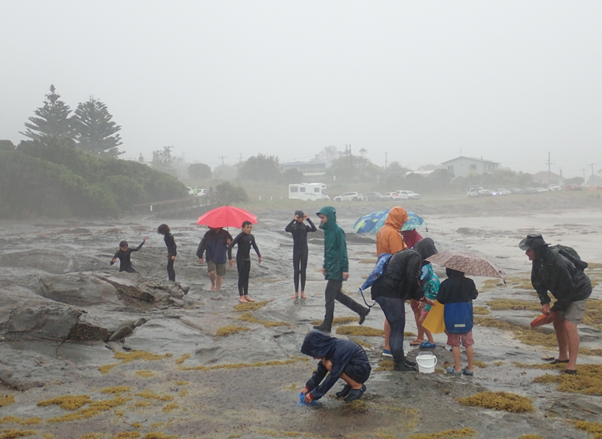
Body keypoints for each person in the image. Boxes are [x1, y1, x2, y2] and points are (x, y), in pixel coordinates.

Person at [519, 233, 592, 375]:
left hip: (578, 292)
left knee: (569, 325)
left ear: (537, 249)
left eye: (529, 250)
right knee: (558, 322)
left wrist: (555, 310)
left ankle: (572, 366)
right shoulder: (538, 260)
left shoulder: (558, 263)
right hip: (564, 292)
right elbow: (537, 282)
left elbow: (568, 291)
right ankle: (563, 357)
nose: (526, 253)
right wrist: (545, 302)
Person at [312, 206, 370, 333]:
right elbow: (328, 251)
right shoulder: (327, 231)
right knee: (336, 294)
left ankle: (327, 324)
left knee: (329, 295)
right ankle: (361, 310)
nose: (321, 220)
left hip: (338, 268)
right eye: (320, 218)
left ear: (330, 218)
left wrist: (345, 269)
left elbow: (343, 251)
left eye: (323, 217)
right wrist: (325, 265)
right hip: (331, 266)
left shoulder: (338, 231)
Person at [370, 249, 423, 371]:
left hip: (382, 290)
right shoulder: (416, 256)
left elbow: (406, 277)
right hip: (389, 293)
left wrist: (414, 295)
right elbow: (411, 277)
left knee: (397, 326)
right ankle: (398, 363)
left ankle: (400, 359)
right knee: (397, 327)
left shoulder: (405, 254)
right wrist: (418, 295)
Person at [300, 330, 371, 403]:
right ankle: (350, 385)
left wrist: (314, 395)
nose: (314, 358)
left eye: (314, 354)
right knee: (326, 363)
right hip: (352, 367)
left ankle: (357, 386)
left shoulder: (340, 350)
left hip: (361, 371)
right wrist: (308, 387)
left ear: (319, 348)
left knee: (330, 365)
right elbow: (320, 371)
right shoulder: (329, 347)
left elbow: (334, 375)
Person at [375, 206, 408, 356]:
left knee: (389, 314)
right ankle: (390, 348)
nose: (404, 223)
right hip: (393, 277)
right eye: (403, 219)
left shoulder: (382, 230)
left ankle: (388, 345)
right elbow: (398, 257)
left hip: (383, 274)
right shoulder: (393, 234)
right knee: (395, 316)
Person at [437, 268, 478, 376]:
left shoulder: (445, 283)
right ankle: (470, 368)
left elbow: (440, 299)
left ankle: (458, 368)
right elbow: (474, 295)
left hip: (451, 316)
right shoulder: (469, 282)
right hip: (465, 315)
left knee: (455, 344)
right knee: (468, 343)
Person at [413, 238, 440, 349]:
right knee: (439, 318)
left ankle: (431, 341)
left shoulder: (423, 265)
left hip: (429, 294)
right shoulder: (429, 264)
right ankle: (454, 340)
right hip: (431, 290)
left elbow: (421, 277)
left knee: (422, 319)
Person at [285, 210, 317, 299]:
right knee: (296, 271)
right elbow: (286, 229)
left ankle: (302, 292)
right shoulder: (293, 227)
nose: (301, 219)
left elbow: (314, 229)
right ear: (296, 217)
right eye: (299, 217)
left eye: (302, 217)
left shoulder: (305, 227)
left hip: (304, 251)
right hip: (296, 251)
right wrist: (293, 220)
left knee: (303, 271)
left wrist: (308, 219)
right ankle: (296, 292)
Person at [228, 221, 261, 303]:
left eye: (250, 227)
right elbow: (230, 246)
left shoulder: (251, 237)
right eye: (247, 227)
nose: (249, 229)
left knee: (246, 277)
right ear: (242, 228)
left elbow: (255, 246)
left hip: (247, 259)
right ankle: (241, 296)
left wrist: (259, 255)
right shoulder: (240, 236)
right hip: (240, 259)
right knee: (241, 277)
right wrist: (230, 258)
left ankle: (246, 294)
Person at [196, 227, 233, 291]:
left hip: (221, 256)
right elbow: (202, 245)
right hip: (211, 256)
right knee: (212, 272)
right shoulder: (208, 234)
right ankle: (213, 284)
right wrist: (200, 256)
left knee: (219, 275)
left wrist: (229, 242)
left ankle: (217, 290)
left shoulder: (225, 233)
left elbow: (231, 244)